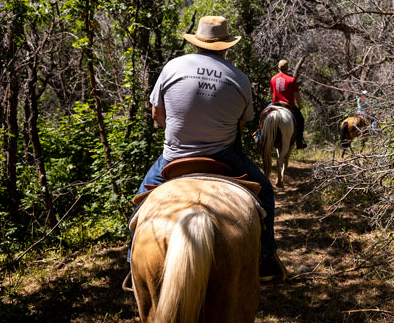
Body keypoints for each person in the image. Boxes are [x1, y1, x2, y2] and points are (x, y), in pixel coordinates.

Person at [128, 15, 286, 284]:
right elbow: (241, 123)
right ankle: (267, 257)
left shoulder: (173, 67)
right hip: (223, 156)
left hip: (174, 155)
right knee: (267, 191)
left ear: (197, 41)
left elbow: (156, 114)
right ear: (226, 45)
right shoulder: (239, 77)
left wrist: (179, 132)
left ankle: (133, 264)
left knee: (139, 204)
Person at [269, 59, 307, 149]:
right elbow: (296, 95)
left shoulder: (273, 79)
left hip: (275, 104)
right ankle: (299, 142)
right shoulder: (292, 80)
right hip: (288, 106)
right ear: (287, 68)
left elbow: (272, 92)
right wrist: (300, 105)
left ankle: (259, 135)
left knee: (263, 114)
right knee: (301, 120)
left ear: (278, 68)